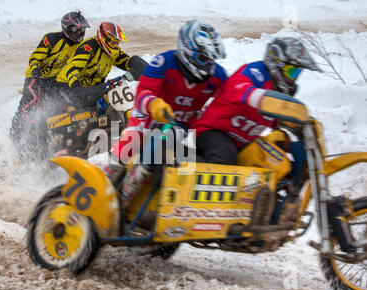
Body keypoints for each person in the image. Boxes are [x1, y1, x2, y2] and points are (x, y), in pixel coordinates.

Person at [100, 20, 228, 210]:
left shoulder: (217, 75)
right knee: (118, 161)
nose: (208, 65)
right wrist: (155, 105)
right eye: (203, 58)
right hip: (146, 121)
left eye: (211, 59)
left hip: (180, 129)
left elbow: (229, 98)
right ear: (187, 50)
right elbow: (142, 93)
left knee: (170, 143)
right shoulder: (163, 63)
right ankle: (118, 194)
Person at [192, 37, 322, 165]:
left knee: (273, 161)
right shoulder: (255, 72)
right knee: (226, 156)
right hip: (210, 132)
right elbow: (237, 86)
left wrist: (296, 126)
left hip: (243, 144)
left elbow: (278, 120)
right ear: (277, 63)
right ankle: (194, 174)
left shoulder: (278, 91)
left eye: (296, 74)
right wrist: (259, 97)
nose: (292, 79)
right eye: (291, 72)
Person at [10, 11, 90, 157]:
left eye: (82, 30)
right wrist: (35, 72)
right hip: (35, 79)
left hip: (54, 81)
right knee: (27, 109)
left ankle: (43, 145)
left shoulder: (80, 47)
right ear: (67, 27)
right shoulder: (51, 38)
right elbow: (35, 57)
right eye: (77, 29)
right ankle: (13, 140)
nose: (80, 32)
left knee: (52, 111)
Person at [55, 21, 148, 111]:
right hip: (68, 86)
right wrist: (75, 85)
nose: (116, 46)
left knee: (108, 105)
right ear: (104, 39)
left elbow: (126, 62)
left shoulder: (113, 52)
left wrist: (138, 66)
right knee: (81, 114)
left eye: (117, 43)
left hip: (91, 88)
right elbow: (72, 67)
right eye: (113, 43)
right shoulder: (89, 47)